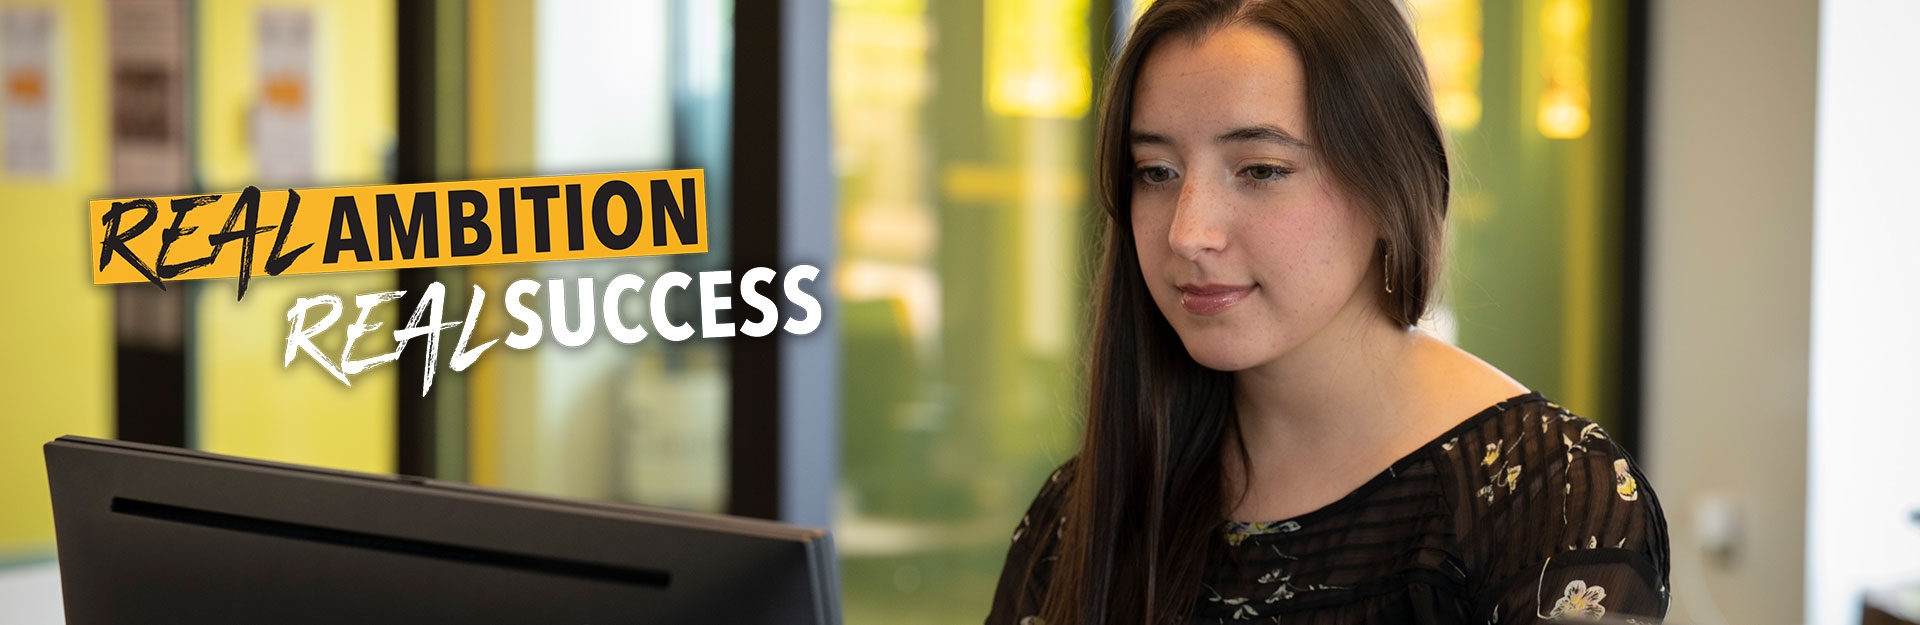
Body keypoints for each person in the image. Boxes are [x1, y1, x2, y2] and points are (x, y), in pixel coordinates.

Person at [984, 1, 1670, 624]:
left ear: (1390, 181)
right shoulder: (1083, 514)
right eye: (1157, 172)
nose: (1188, 232)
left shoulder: (1549, 506)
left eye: (1260, 170)